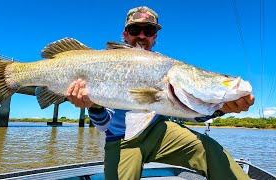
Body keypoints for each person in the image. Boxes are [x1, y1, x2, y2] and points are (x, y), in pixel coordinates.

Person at [66, 6, 254, 180]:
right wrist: (94, 106)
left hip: (160, 132)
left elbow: (189, 114)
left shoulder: (164, 66)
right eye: (134, 30)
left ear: (155, 37)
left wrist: (221, 108)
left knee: (210, 150)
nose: (141, 36)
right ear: (125, 35)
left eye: (148, 31)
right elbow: (104, 126)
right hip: (122, 140)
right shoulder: (107, 67)